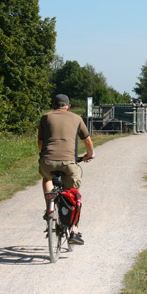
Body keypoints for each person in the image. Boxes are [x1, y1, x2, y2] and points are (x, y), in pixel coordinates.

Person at [38, 94, 94, 245]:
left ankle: (49, 207)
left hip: (47, 161)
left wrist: (44, 156)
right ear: (68, 106)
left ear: (53, 106)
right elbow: (87, 140)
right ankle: (74, 229)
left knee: (47, 178)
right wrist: (88, 155)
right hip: (69, 163)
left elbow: (41, 142)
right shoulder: (76, 118)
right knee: (74, 194)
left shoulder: (45, 117)